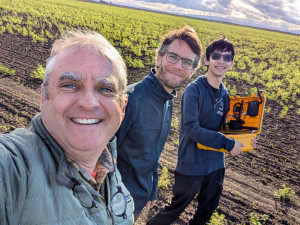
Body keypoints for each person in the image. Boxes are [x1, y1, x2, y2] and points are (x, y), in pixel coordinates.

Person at [0, 30, 134, 225]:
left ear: (122, 106)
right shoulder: (13, 168)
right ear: (44, 96)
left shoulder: (108, 169)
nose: (89, 103)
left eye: (106, 89)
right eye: (70, 85)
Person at [147, 37, 245, 225]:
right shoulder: (194, 90)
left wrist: (244, 140)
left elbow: (225, 129)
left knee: (205, 213)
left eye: (226, 57)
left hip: (216, 164)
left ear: (231, 63)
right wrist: (227, 143)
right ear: (207, 60)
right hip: (192, 164)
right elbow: (192, 129)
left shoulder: (225, 95)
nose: (221, 61)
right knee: (174, 210)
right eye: (216, 56)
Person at [116, 26, 202, 218]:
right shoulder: (129, 100)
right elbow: (101, 156)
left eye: (187, 62)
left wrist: (152, 189)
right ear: (159, 57)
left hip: (137, 201)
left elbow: (153, 154)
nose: (179, 66)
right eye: (173, 57)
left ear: (192, 71)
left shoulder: (167, 101)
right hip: (116, 203)